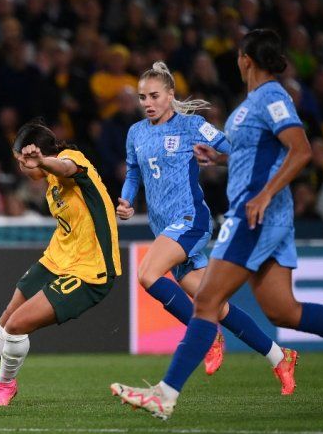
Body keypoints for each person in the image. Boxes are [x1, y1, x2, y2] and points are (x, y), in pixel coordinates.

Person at [112, 29, 323, 420]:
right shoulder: (250, 105)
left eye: (238, 54)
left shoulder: (271, 97)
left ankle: (165, 395)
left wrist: (264, 196)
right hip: (257, 215)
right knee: (284, 312)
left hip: (252, 215)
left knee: (206, 303)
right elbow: (251, 156)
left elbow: (300, 151)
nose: (235, 60)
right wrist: (217, 161)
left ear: (247, 59)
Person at [119, 61, 297, 393]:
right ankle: (279, 356)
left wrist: (223, 160)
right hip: (165, 229)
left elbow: (235, 149)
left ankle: (205, 334)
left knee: (147, 273)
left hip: (190, 221)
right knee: (214, 304)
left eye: (154, 95)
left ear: (170, 95)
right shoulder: (136, 133)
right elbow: (133, 173)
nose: (147, 103)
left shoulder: (191, 126)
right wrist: (127, 199)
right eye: (142, 97)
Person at [0, 120, 121, 406]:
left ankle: (5, 384)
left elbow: (66, 167)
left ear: (42, 155)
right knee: (8, 317)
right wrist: (40, 164)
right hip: (57, 259)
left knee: (17, 326)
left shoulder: (74, 161)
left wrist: (43, 161)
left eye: (24, 161)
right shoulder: (50, 186)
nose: (22, 168)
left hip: (90, 270)